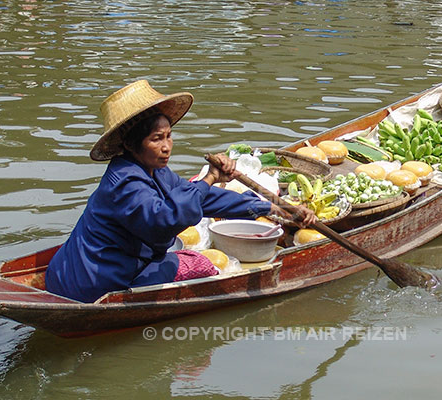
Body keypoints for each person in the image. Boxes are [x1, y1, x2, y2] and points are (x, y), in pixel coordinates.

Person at [45, 80, 316, 303]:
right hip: (98, 282)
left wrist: (273, 208)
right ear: (130, 144)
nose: (167, 146)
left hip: (74, 272)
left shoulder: (155, 171)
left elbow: (201, 197)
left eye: (169, 136)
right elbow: (167, 219)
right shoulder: (124, 184)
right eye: (156, 139)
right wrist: (210, 177)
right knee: (201, 266)